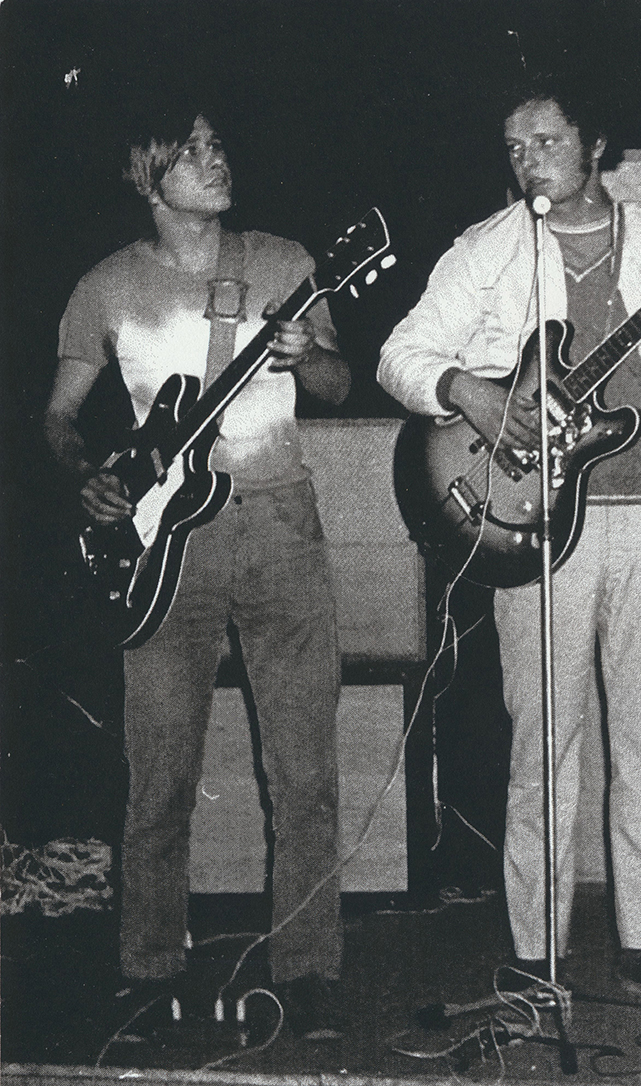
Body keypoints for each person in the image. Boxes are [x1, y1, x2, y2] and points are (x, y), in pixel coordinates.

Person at [378, 78, 641, 1004]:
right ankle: (534, 952)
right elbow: (399, 355)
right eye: (515, 147)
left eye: (546, 141)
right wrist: (470, 393)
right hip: (532, 527)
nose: (528, 161)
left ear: (595, 147)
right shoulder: (487, 249)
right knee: (543, 750)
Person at [45, 105, 350, 1038]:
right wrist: (86, 475)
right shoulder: (104, 286)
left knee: (304, 769)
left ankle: (309, 969)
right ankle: (148, 969)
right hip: (163, 543)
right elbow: (58, 417)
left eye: (220, 145)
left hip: (279, 524)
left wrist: (309, 354)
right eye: (194, 151)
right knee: (160, 771)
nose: (218, 160)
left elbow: (339, 384)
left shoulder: (286, 262)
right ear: (149, 175)